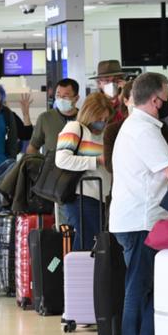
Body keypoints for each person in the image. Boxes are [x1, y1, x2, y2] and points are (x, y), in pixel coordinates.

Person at [110, 72, 168, 335]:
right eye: (167, 96)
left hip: (134, 217)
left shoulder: (133, 125)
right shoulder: (145, 131)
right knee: (139, 285)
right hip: (141, 219)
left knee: (147, 283)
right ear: (155, 100)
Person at [55, 92, 115, 251]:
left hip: (102, 198)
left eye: (105, 119)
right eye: (99, 118)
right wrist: (96, 161)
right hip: (81, 197)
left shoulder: (104, 134)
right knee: (87, 244)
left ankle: (78, 274)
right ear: (89, 114)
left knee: (92, 244)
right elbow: (62, 159)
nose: (101, 123)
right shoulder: (75, 128)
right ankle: (76, 275)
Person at [103, 81, 168, 173]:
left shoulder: (160, 127)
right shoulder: (113, 130)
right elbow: (109, 165)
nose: (139, 103)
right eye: (136, 99)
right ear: (125, 101)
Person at [30, 78, 81, 166]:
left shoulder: (84, 118)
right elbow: (33, 147)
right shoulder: (45, 118)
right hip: (52, 173)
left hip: (80, 172)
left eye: (65, 96)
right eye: (58, 95)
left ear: (76, 98)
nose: (60, 99)